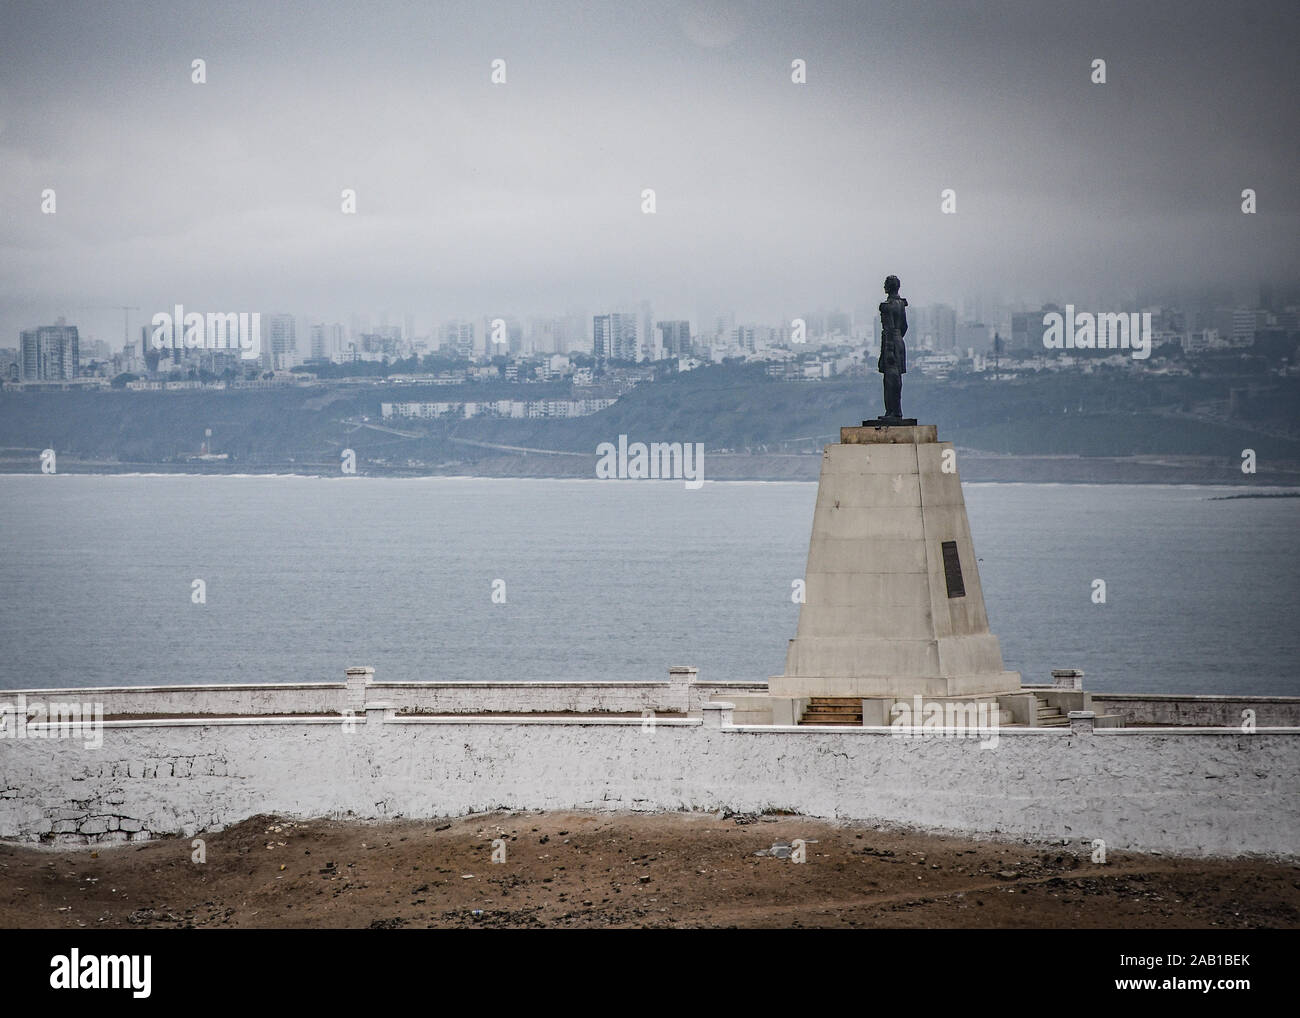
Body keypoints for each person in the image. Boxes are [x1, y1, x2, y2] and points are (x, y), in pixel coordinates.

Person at [877, 275, 908, 418]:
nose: (884, 286)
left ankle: (892, 412)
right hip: (899, 341)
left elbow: (888, 329)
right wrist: (898, 338)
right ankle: (897, 410)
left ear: (889, 287)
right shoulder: (901, 304)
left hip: (891, 342)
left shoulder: (887, 307)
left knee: (890, 380)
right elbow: (905, 326)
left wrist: (889, 350)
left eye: (885, 284)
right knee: (897, 380)